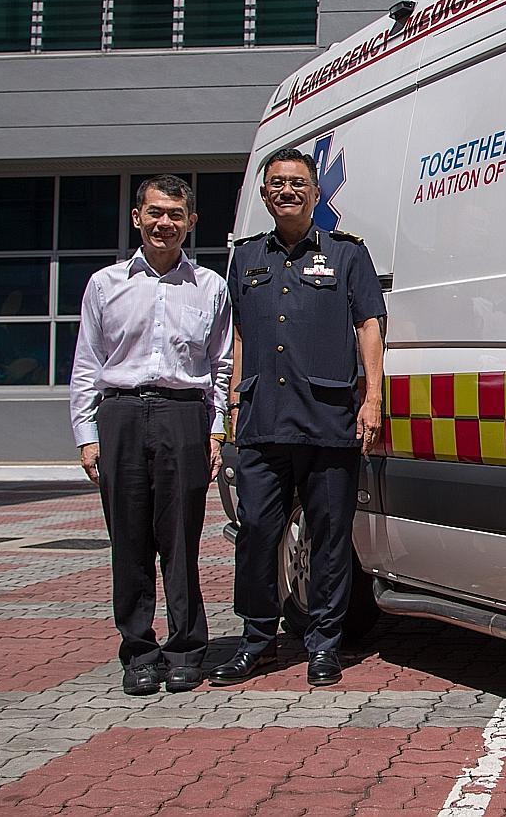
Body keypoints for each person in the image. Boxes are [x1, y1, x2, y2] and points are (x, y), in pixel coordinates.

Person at [210, 147, 385, 687]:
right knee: (258, 530)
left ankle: (324, 644)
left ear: (316, 192)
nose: (288, 190)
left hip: (329, 418)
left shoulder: (347, 255)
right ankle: (257, 639)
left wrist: (372, 398)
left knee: (329, 536)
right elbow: (239, 336)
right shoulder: (245, 259)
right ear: (264, 195)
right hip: (263, 418)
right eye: (278, 183)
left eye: (298, 182)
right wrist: (234, 403)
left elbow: (370, 327)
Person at [70, 175, 233, 696]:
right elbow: (87, 364)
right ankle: (138, 650)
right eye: (156, 213)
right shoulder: (104, 284)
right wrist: (86, 433)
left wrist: (216, 429)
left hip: (183, 416)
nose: (166, 223)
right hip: (119, 416)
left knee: (181, 539)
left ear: (191, 222)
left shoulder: (210, 286)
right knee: (130, 541)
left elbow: (222, 364)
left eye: (176, 214)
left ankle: (187, 648)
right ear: (137, 217)